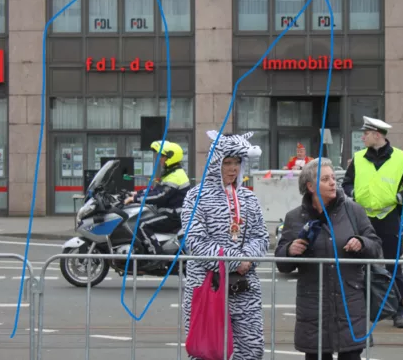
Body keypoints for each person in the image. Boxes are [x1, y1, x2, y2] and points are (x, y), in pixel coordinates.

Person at [275, 158, 382, 360]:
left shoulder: (353, 211)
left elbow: (375, 246)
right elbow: (282, 264)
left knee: (350, 355)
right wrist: (290, 250)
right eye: (325, 179)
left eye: (333, 178)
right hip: (314, 306)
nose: (333, 182)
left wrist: (361, 242)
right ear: (310, 186)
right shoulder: (295, 217)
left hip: (349, 301)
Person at [181, 130, 269, 360]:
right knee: (206, 348)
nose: (233, 168)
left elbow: (261, 237)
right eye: (227, 162)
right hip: (206, 285)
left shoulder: (249, 198)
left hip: (243, 286)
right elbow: (195, 241)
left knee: (251, 348)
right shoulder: (195, 197)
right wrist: (234, 261)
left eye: (237, 162)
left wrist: (247, 260)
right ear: (215, 163)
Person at [341, 116, 403, 329]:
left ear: (377, 135)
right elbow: (347, 183)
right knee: (356, 266)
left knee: (393, 266)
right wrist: (353, 194)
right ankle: (358, 309)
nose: (362, 137)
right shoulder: (358, 158)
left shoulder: (402, 159)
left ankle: (399, 311)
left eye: (366, 134)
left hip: (389, 218)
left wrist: (399, 198)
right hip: (362, 219)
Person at [124, 140, 190, 256]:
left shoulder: (176, 175)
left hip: (174, 216)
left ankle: (156, 256)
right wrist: (136, 194)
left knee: (142, 226)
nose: (160, 159)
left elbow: (160, 196)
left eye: (162, 156)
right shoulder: (172, 173)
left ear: (170, 157)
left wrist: (135, 199)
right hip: (171, 213)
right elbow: (156, 190)